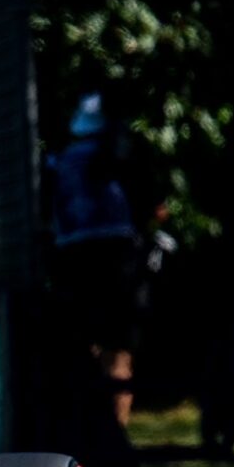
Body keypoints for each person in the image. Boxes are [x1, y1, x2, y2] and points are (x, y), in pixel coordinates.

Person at [46, 93, 146, 429]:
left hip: (75, 254)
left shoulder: (59, 161)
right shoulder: (117, 157)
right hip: (113, 253)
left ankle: (100, 426)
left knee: (89, 341)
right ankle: (115, 426)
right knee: (117, 345)